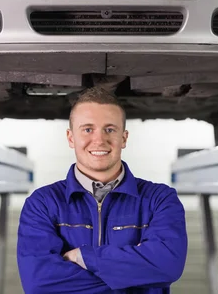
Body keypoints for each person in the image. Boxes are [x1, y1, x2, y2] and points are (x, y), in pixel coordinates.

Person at [16, 87, 188, 293]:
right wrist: (135, 275)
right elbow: (39, 282)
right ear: (71, 138)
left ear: (123, 138)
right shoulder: (43, 203)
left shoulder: (159, 199)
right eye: (88, 129)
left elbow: (167, 265)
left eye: (110, 129)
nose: (99, 140)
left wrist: (83, 257)